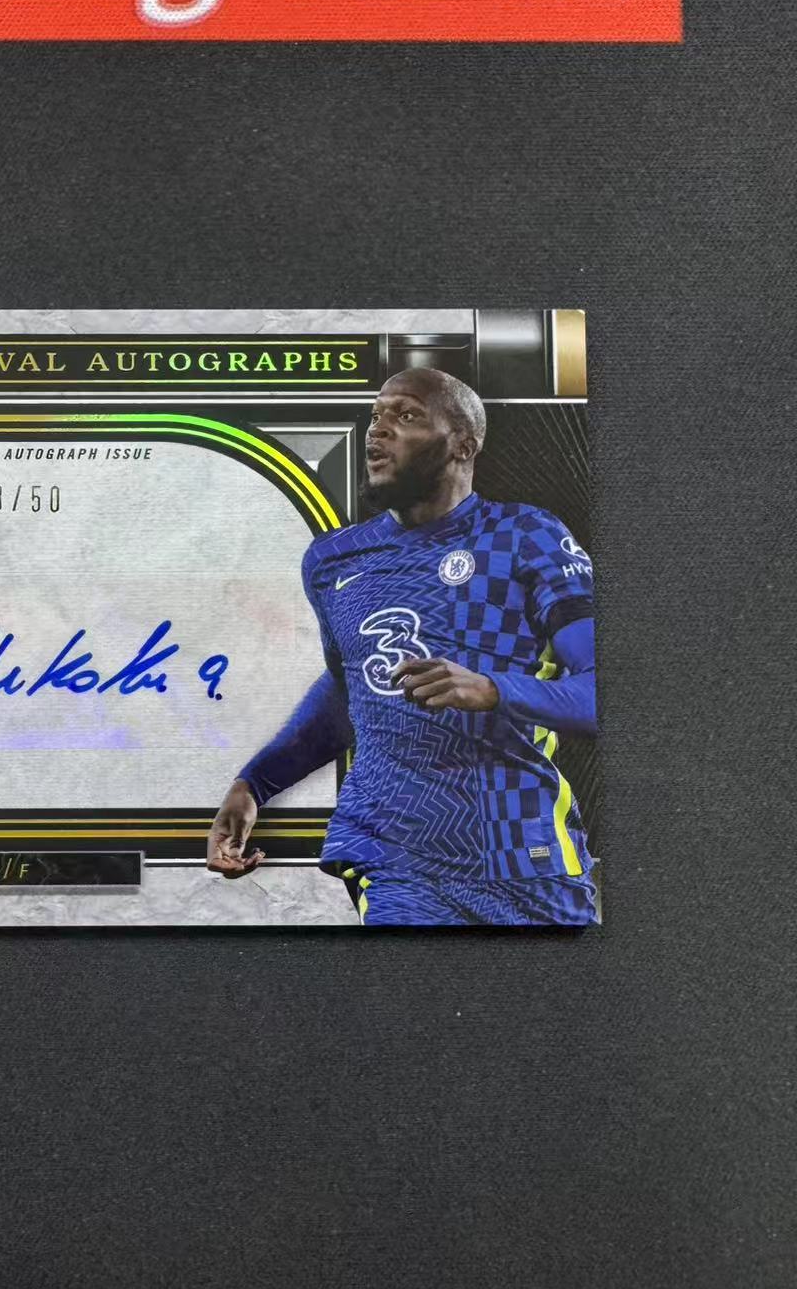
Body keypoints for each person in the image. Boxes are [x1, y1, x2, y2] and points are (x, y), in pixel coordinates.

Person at [206, 368, 599, 927]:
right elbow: (348, 692)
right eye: (376, 415)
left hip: (519, 852)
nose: (378, 429)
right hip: (392, 855)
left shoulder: (525, 536)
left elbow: (603, 694)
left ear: (463, 445)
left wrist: (493, 690)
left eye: (407, 415)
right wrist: (254, 785)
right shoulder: (334, 560)